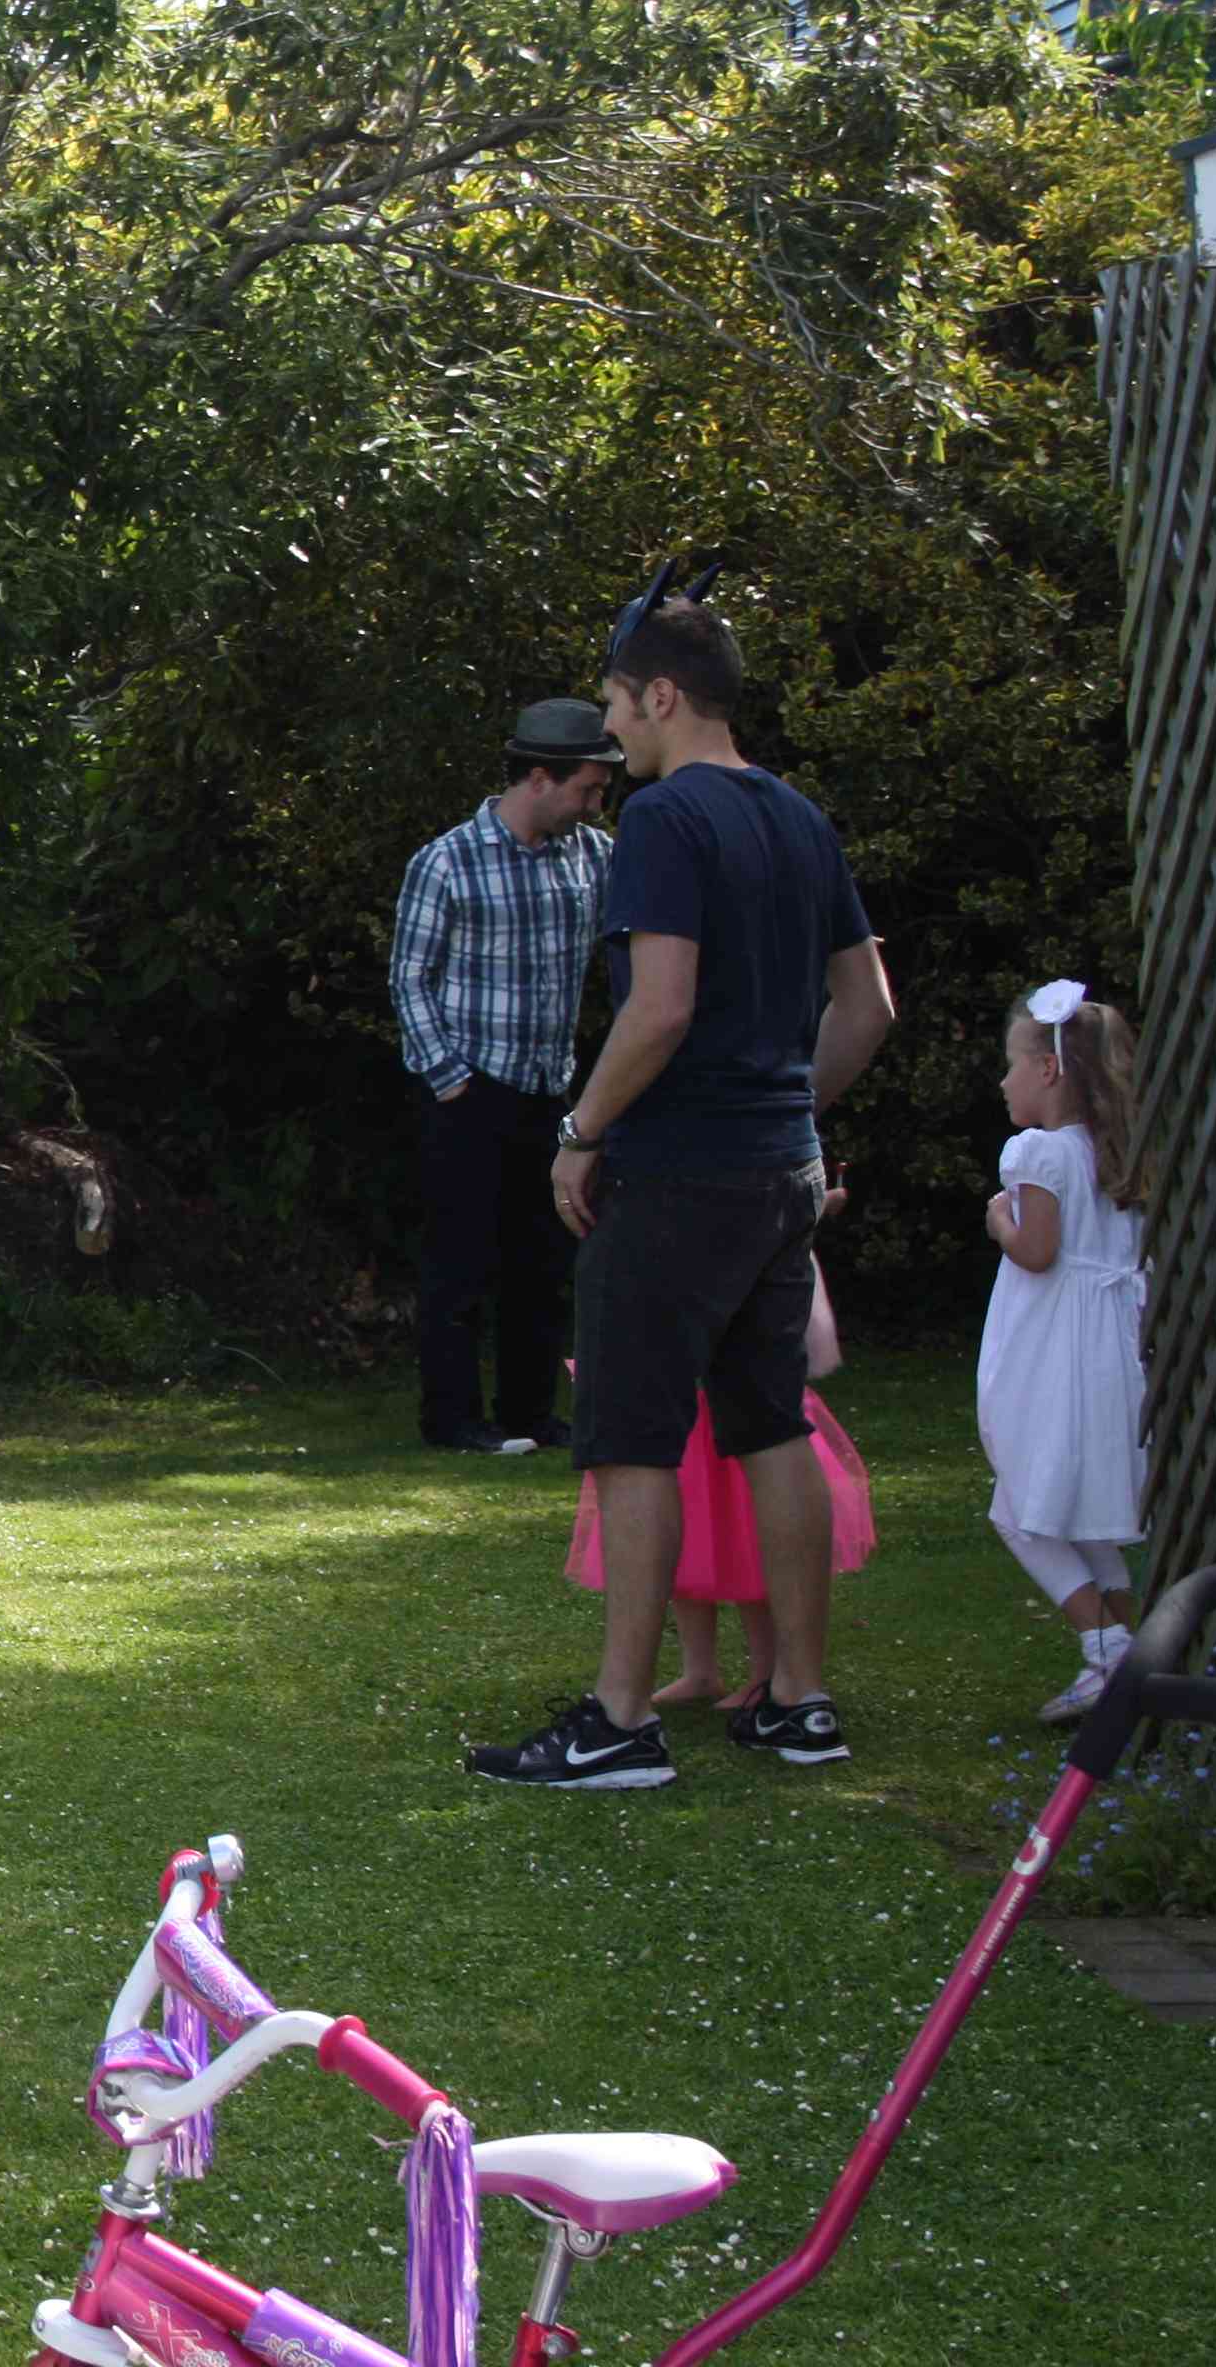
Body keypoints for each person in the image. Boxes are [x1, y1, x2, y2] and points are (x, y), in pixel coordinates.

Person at [471, 572, 892, 1790]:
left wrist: (582, 1131)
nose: (611, 730)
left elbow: (659, 1007)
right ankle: (798, 1702)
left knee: (632, 1438)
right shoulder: (800, 817)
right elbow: (869, 1005)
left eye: (616, 702)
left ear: (662, 695)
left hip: (679, 1177)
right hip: (779, 1173)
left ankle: (619, 1723)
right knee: (771, 1422)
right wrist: (788, 1112)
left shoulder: (664, 819)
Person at [390, 700, 618, 1456]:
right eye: (587, 788)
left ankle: (530, 1413)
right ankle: (452, 1421)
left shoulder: (592, 855)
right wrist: (448, 1077)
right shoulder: (447, 860)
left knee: (543, 1260)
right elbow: (410, 978)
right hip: (469, 1090)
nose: (596, 803)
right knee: (459, 1263)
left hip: (551, 1090)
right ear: (539, 778)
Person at [563, 1228, 873, 1706]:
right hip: (676, 1380)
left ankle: (768, 1670)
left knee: (745, 1534)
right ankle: (700, 1668)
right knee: (686, 1535)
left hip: (725, 1378)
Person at [977, 980, 1152, 1724]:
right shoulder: (1112, 1154)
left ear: (1046, 1069)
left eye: (1011, 1063)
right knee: (1079, 1510)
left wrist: (999, 1222)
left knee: (1021, 1507)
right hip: (1109, 1350)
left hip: (1055, 1356)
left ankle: (1106, 1648)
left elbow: (1038, 1252)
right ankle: (1134, 1658)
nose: (1003, 1080)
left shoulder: (1037, 1153)